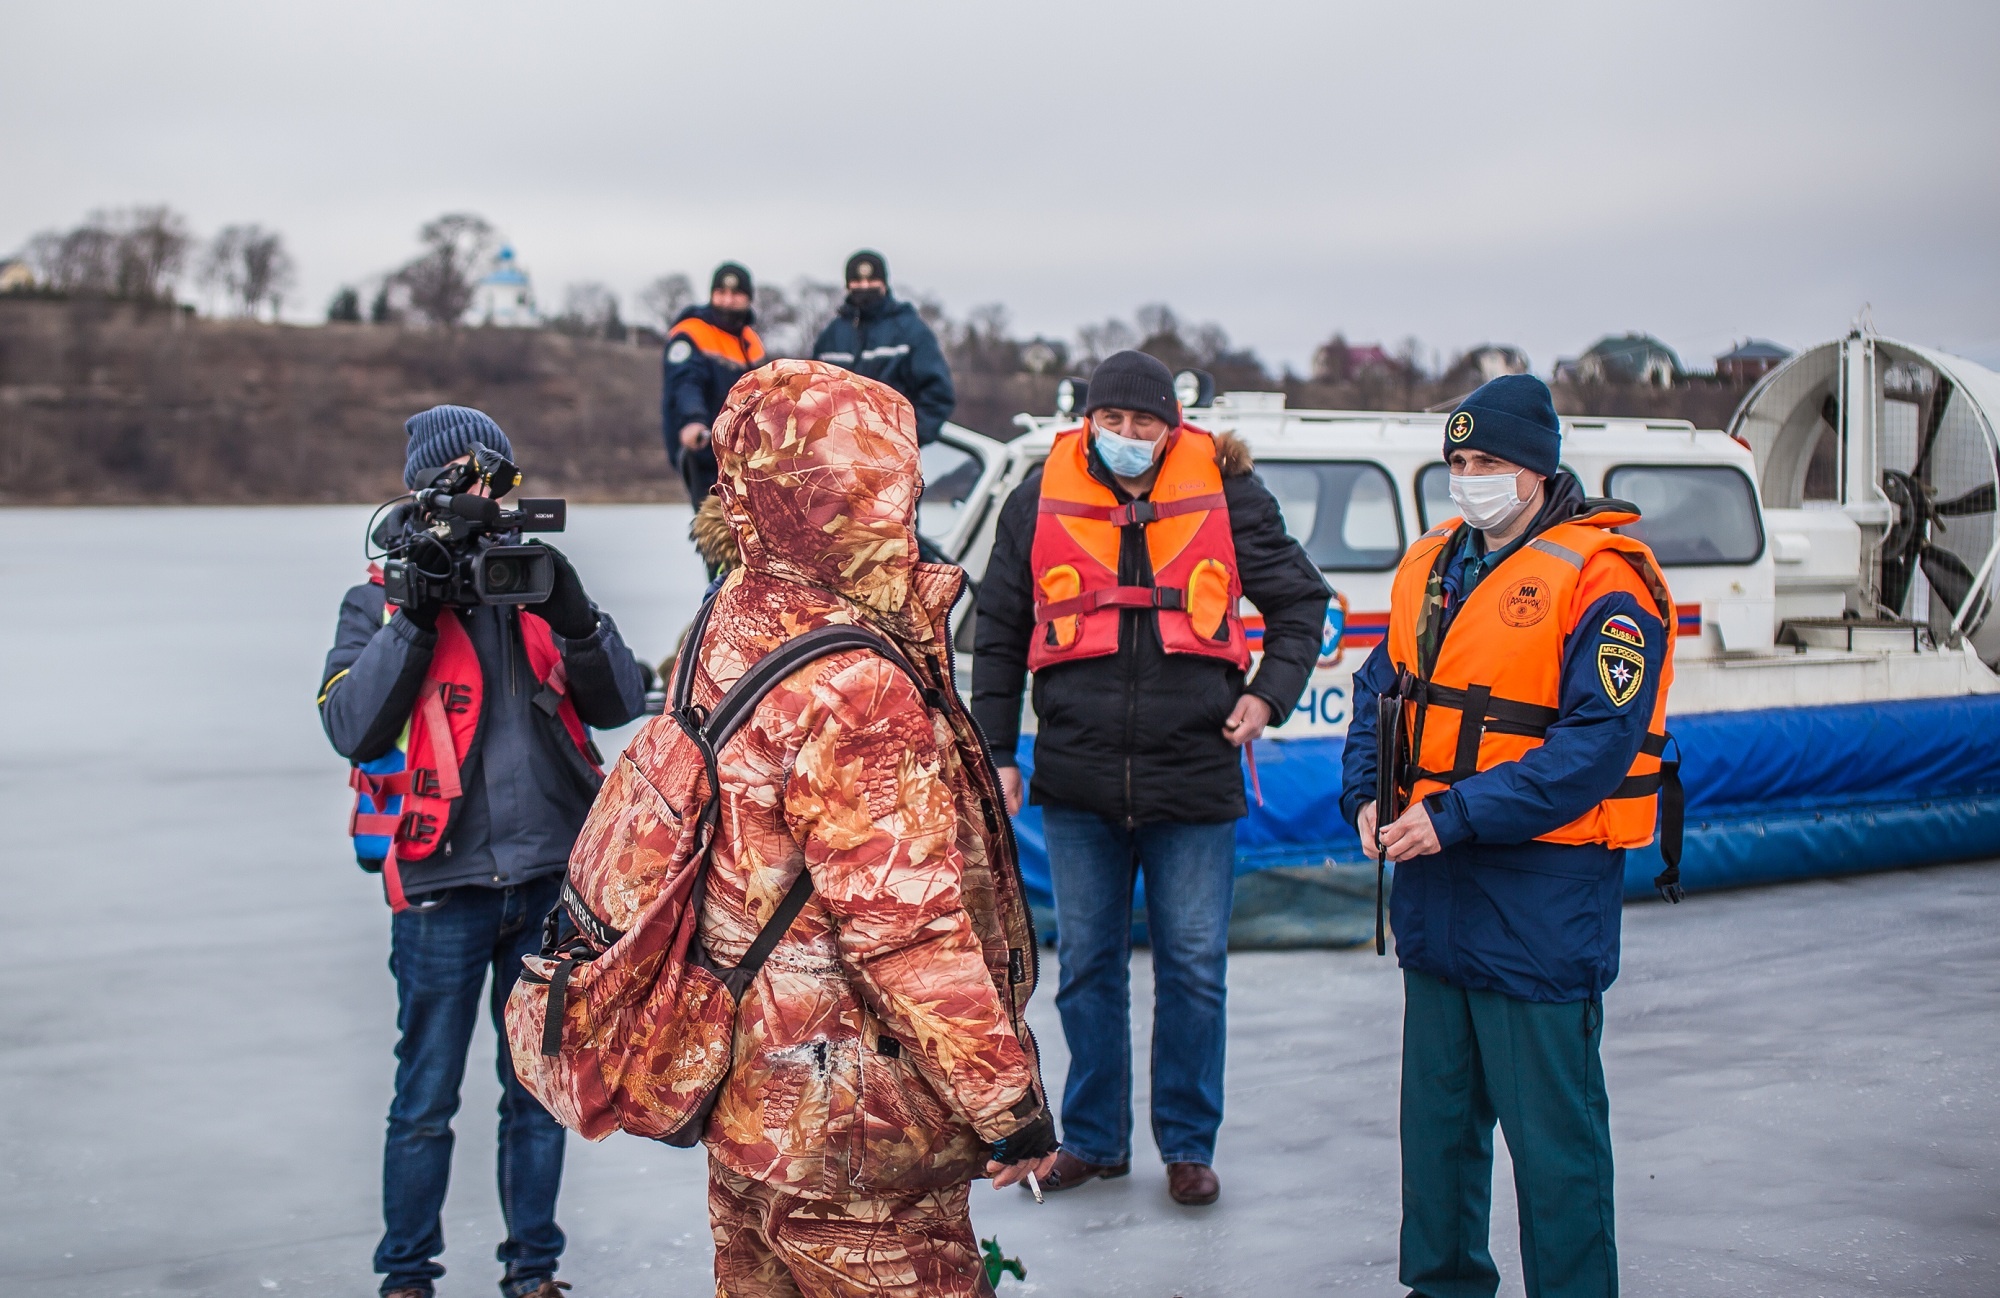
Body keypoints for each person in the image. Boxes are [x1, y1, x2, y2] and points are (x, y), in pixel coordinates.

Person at [692, 359, 1057, 1297]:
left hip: (746, 1098)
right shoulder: (856, 682)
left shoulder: (729, 621)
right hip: (856, 1127)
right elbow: (904, 928)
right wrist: (1006, 1103)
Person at [1341, 375, 1676, 1298]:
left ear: (1536, 466)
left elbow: (1594, 751)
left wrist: (1454, 816)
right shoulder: (1433, 567)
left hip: (1539, 899)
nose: (1469, 478)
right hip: (1433, 894)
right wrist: (1366, 795)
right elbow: (1380, 692)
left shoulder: (1607, 584)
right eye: (1457, 461)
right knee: (1438, 1134)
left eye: (1487, 461)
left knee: (1554, 1145)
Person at [972, 349, 1331, 1206]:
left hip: (1195, 776)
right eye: (1114, 421)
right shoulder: (1036, 499)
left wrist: (1268, 697)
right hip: (1077, 780)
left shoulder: (1232, 493)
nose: (1129, 437)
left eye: (1146, 423)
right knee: (1088, 967)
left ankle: (1189, 1145)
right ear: (1087, 422)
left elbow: (1301, 603)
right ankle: (1094, 1140)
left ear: (1173, 428)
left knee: (1195, 968)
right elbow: (997, 627)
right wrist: (998, 751)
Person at [318, 404, 648, 1298]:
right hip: (441, 886)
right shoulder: (381, 598)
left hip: (544, 881)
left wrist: (575, 615)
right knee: (423, 1101)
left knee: (537, 1095)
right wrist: (416, 619)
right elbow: (351, 725)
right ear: (426, 492)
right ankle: (407, 1277)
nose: (487, 498)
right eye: (468, 482)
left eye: (497, 481)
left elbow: (621, 700)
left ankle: (533, 1271)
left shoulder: (529, 582)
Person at [810, 249, 955, 445]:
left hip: (891, 455)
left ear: (884, 283)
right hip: (838, 453)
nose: (865, 286)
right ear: (848, 285)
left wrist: (902, 441)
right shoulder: (832, 334)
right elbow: (812, 393)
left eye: (871, 281)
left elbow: (937, 396)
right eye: (858, 282)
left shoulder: (910, 331)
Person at [663, 262, 766, 503]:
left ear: (748, 298)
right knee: (716, 530)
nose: (727, 301)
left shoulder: (751, 341)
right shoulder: (690, 333)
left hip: (747, 457)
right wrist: (693, 421)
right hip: (706, 451)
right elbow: (686, 383)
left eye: (735, 294)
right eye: (721, 293)